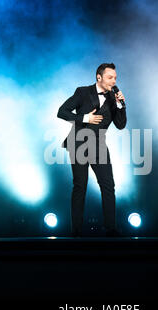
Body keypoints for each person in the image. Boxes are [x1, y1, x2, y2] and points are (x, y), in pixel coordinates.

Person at [57, 63, 127, 237]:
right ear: (99, 77)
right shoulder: (82, 92)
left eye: (115, 78)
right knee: (80, 186)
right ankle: (76, 230)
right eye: (110, 77)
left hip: (99, 145)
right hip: (79, 142)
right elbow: (62, 111)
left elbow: (120, 125)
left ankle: (111, 228)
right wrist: (84, 117)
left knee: (108, 185)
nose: (114, 81)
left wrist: (121, 106)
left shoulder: (113, 99)